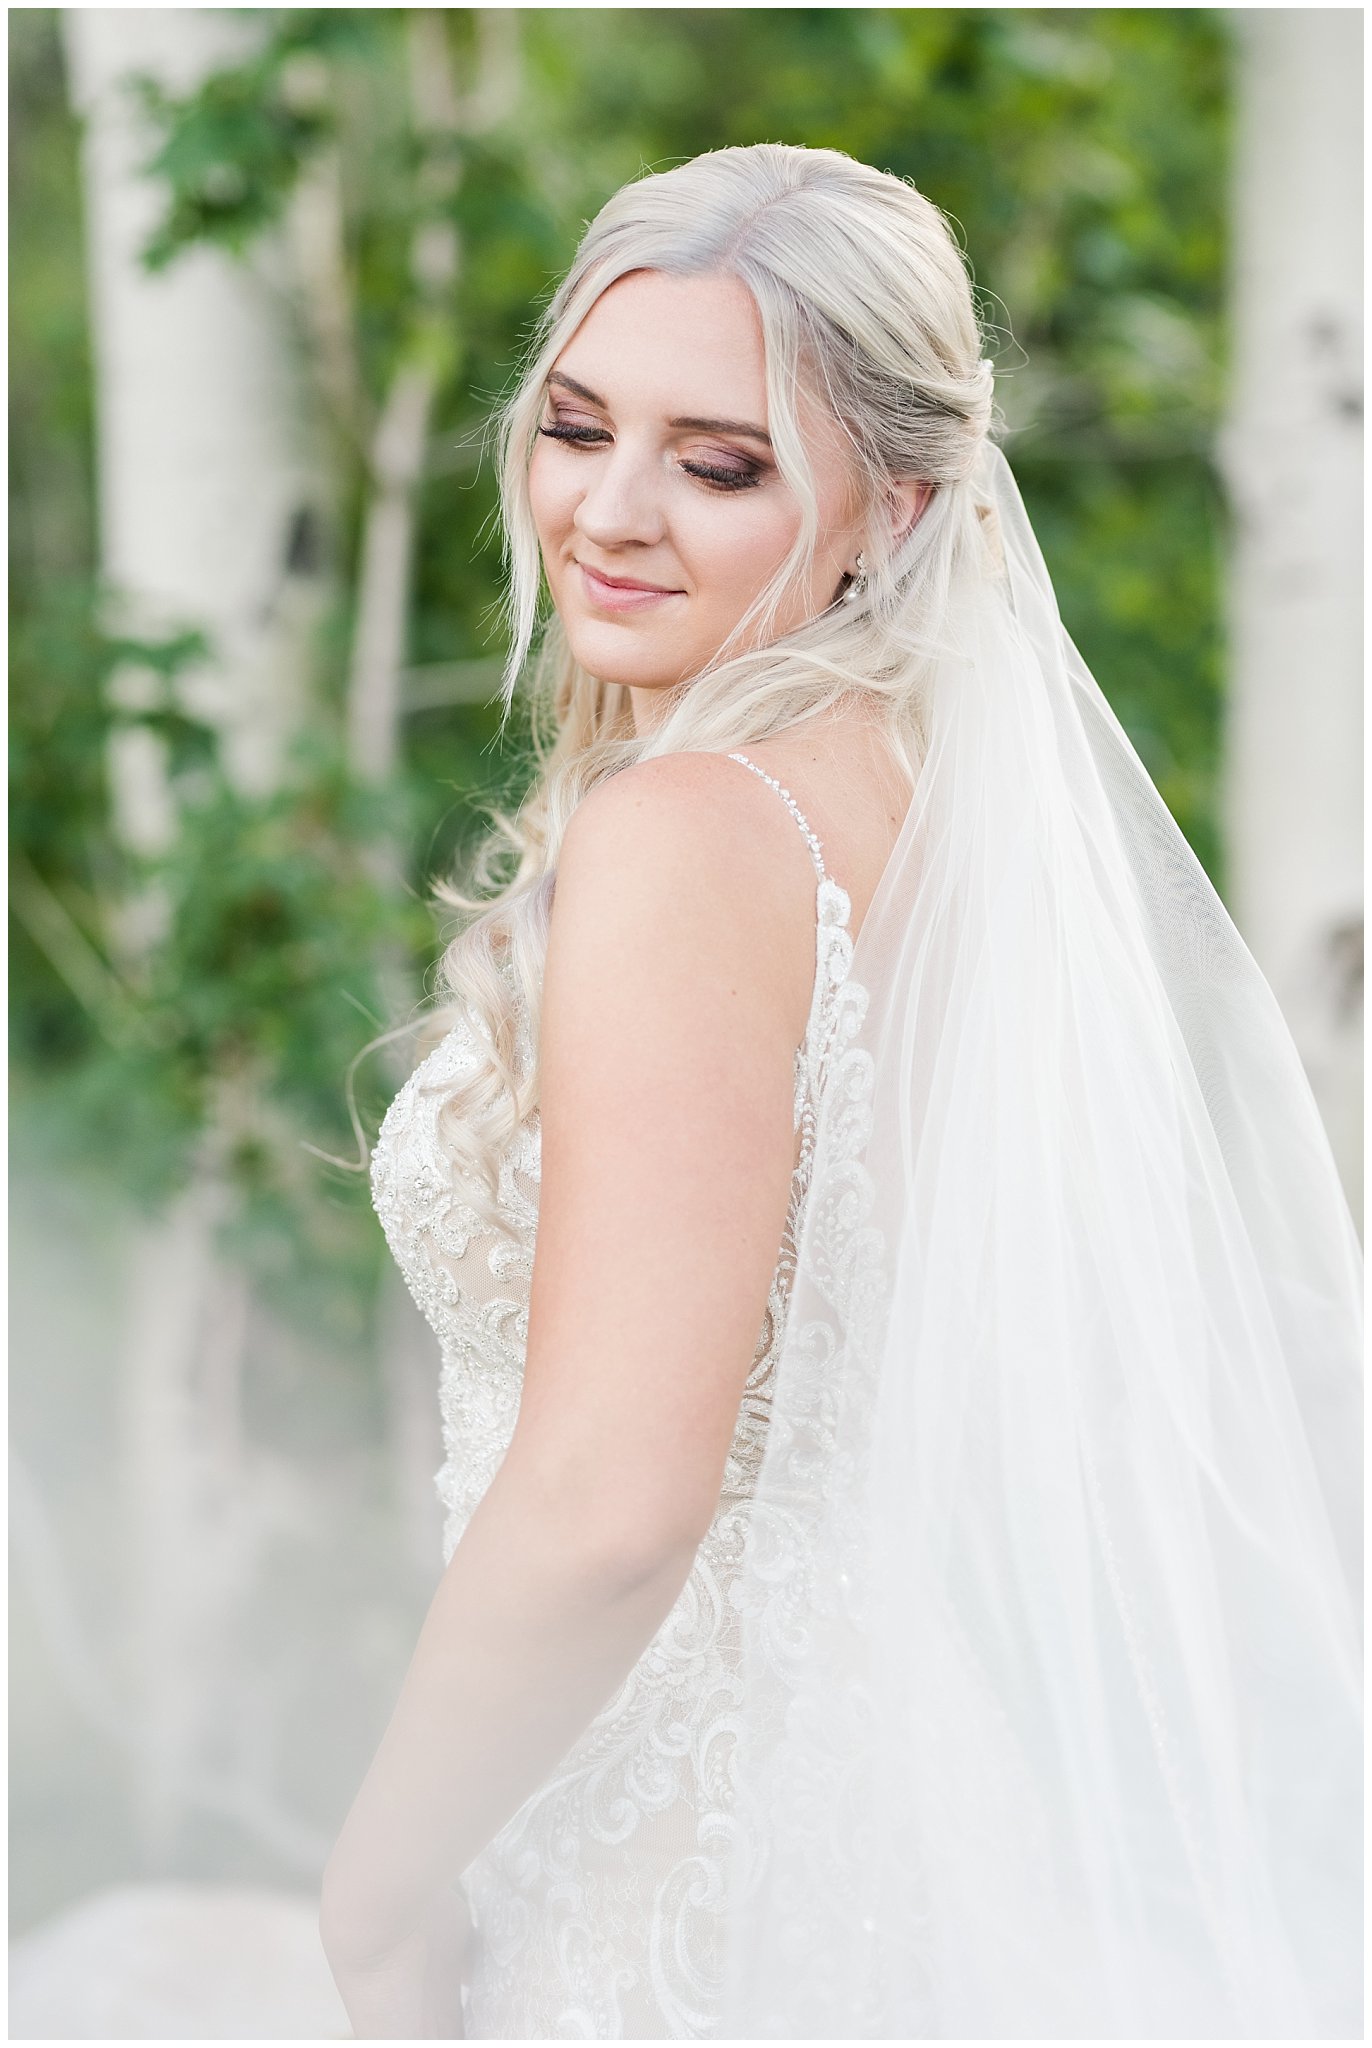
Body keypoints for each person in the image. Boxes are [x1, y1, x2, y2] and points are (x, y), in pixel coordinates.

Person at [318, 143, 1362, 2040]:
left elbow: (617, 1497)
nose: (611, 511)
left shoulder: (697, 838)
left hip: (684, 1870)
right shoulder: (918, 812)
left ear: (898, 503)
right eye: (575, 427)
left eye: (721, 463)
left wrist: (382, 1883)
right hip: (905, 1803)